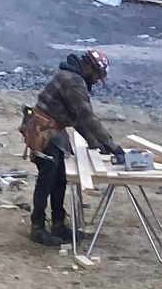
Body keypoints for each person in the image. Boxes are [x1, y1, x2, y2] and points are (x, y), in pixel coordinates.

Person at [23, 49, 121, 247]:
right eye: (97, 76)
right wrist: (111, 145)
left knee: (59, 178)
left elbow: (77, 120)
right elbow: (87, 117)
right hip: (44, 131)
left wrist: (97, 144)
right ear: (91, 69)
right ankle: (38, 227)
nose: (95, 81)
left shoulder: (71, 76)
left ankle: (58, 223)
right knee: (47, 179)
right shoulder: (74, 82)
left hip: (51, 130)